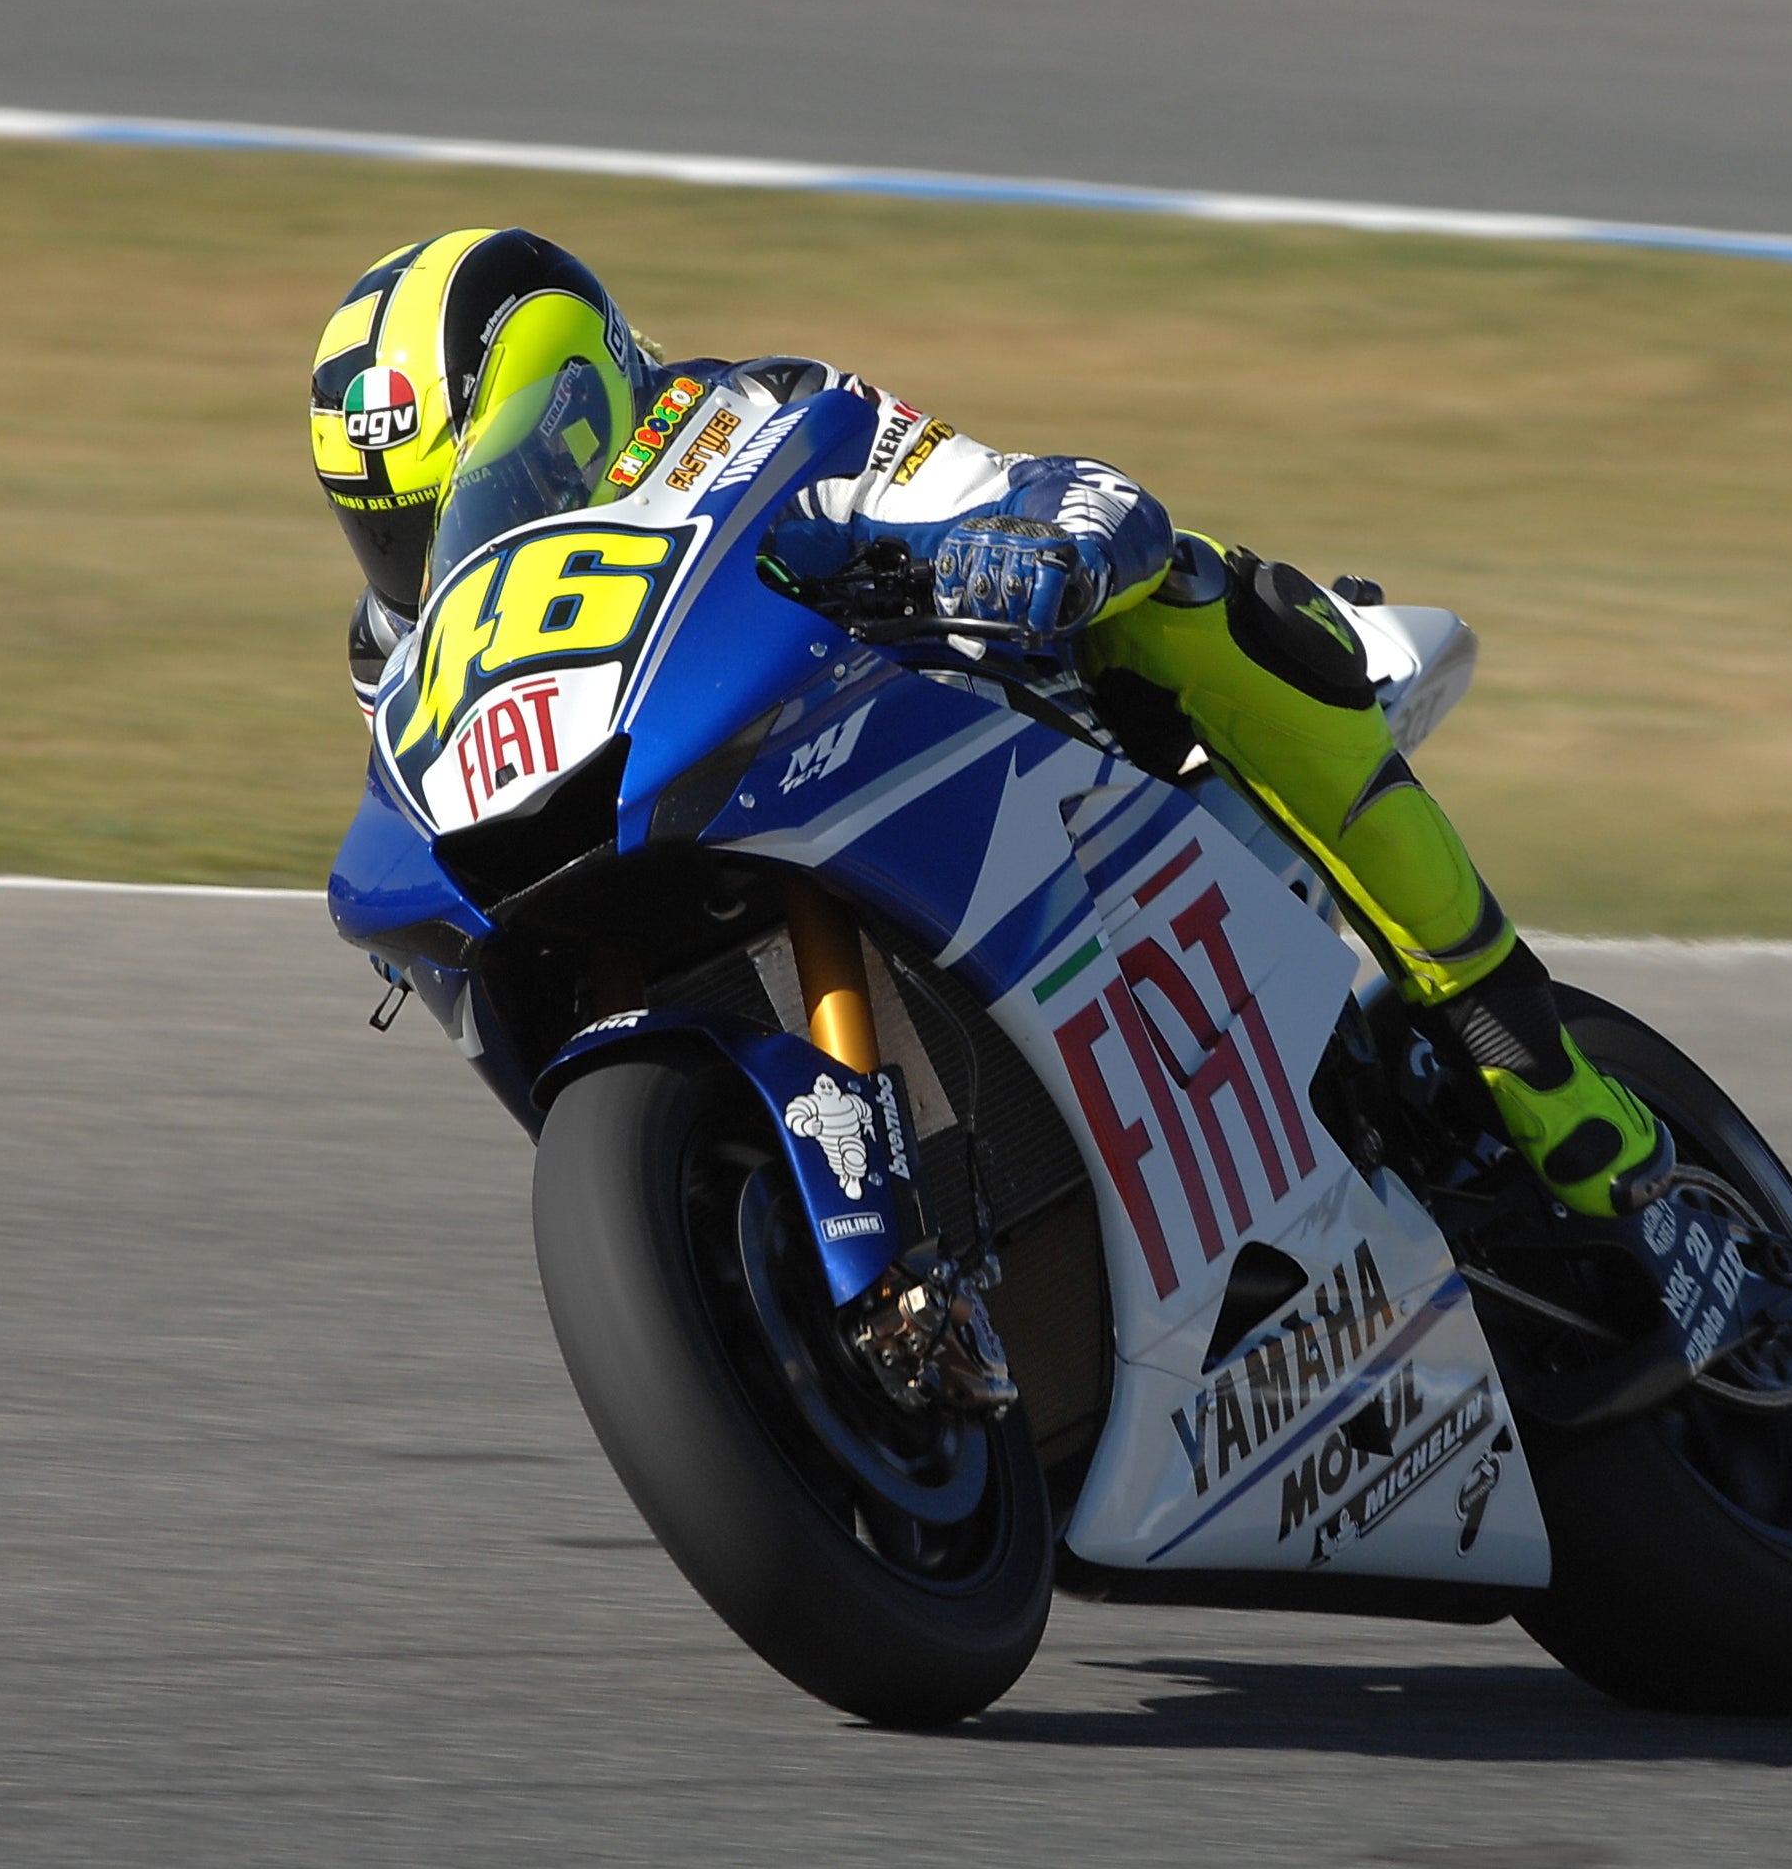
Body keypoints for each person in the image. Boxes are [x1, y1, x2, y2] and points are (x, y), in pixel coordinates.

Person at [308, 227, 1666, 1218]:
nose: (429, 561)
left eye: (460, 501)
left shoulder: (749, 420)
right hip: (659, 826)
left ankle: (1529, 1063)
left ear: (572, 411)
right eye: (392, 533)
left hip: (998, 759)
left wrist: (1027, 548)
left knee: (1194, 595)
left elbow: (1046, 490)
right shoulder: (404, 659)